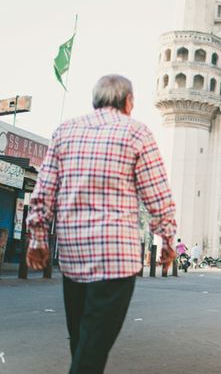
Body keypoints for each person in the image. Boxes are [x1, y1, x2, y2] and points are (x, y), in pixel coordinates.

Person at [25, 74, 177, 374]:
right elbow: (158, 196)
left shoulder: (64, 132)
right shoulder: (136, 133)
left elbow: (42, 194)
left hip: (73, 256)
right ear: (128, 102)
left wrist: (38, 240)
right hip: (115, 260)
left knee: (82, 342)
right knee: (91, 348)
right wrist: (168, 240)